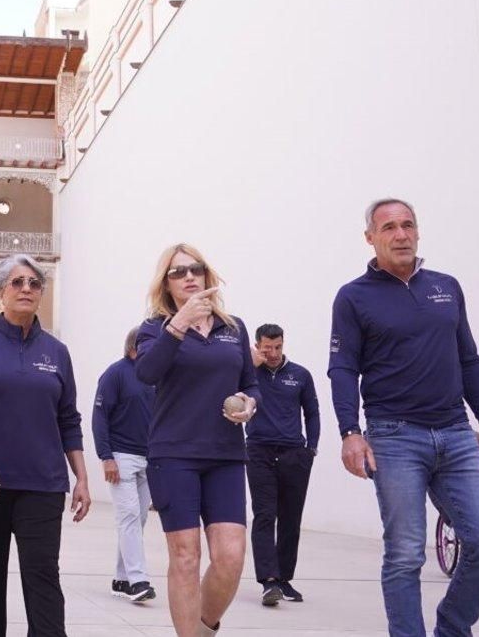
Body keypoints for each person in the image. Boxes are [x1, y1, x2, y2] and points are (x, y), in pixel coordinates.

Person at [330, 198, 479, 637]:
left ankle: (451, 627)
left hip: (455, 433)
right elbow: (342, 368)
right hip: (393, 438)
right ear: (370, 238)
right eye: (389, 227)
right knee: (406, 553)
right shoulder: (353, 297)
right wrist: (350, 432)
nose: (401, 234)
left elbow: (468, 359)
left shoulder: (446, 287)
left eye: (408, 225)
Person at [0, 254, 90, 636]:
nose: (26, 288)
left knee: (43, 577)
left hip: (42, 485)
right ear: (0, 292)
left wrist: (81, 478)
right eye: (17, 282)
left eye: (34, 283)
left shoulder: (57, 353)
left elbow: (68, 419)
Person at [133, 244, 259, 637]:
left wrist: (250, 404)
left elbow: (251, 383)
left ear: (207, 276)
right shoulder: (154, 329)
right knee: (186, 558)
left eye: (196, 269)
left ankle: (202, 629)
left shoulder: (233, 328)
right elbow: (147, 373)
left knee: (231, 558)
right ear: (166, 285)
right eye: (178, 272)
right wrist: (179, 325)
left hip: (224, 455)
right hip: (174, 456)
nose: (189, 276)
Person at [246, 323, 321, 606]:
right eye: (267, 348)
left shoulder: (300, 375)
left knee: (291, 518)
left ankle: (284, 579)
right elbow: (227, 395)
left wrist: (310, 448)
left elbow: (312, 413)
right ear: (257, 345)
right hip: (258, 452)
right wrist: (248, 364)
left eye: (278, 347)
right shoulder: (247, 372)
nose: (274, 353)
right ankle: (268, 581)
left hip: (294, 454)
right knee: (265, 515)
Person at [92, 326, 156, 604]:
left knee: (138, 519)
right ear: (134, 348)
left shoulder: (157, 377)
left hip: (151, 459)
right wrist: (106, 457)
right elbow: (99, 417)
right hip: (121, 457)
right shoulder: (115, 374)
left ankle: (121, 578)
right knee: (129, 516)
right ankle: (138, 580)